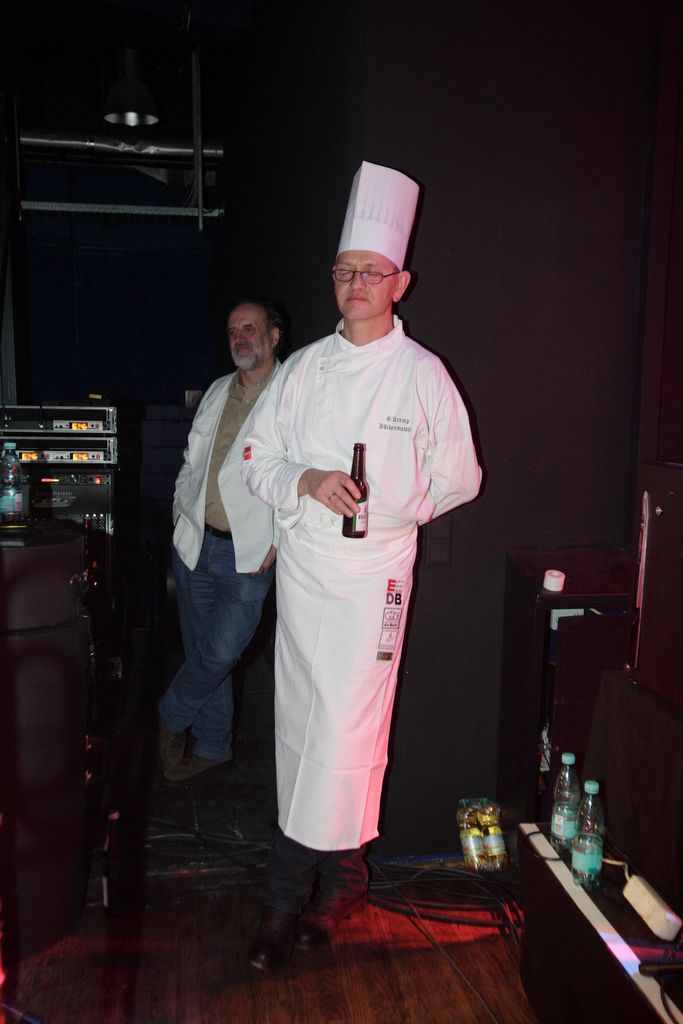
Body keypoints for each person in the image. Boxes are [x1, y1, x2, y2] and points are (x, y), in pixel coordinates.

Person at [242, 161, 482, 970]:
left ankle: (288, 900)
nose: (356, 285)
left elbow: (461, 478)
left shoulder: (422, 376)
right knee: (300, 730)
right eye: (344, 272)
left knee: (350, 732)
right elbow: (256, 458)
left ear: (399, 283)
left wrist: (395, 508)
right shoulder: (303, 369)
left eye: (370, 273)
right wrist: (307, 480)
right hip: (307, 575)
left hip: (375, 581)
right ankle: (340, 886)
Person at [157, 298, 283, 783]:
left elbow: (300, 473)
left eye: (250, 328)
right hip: (196, 543)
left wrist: (279, 538)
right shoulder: (216, 389)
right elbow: (192, 460)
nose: (240, 338)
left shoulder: (291, 395)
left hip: (247, 553)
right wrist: (179, 510)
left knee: (220, 653)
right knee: (202, 653)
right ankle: (212, 745)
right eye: (233, 331)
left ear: (274, 336)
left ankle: (169, 717)